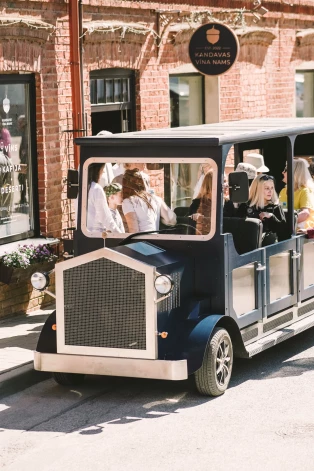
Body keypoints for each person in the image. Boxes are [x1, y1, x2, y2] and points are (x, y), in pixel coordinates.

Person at [237, 174, 286, 246]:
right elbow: (237, 228)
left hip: (269, 247)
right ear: (257, 189)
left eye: (272, 188)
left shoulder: (275, 207)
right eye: (267, 188)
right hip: (247, 246)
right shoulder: (246, 206)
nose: (270, 191)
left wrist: (272, 217)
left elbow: (284, 233)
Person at [87, 163, 124, 235]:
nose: (103, 172)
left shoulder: (85, 188)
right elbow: (106, 219)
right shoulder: (96, 189)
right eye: (102, 170)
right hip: (99, 237)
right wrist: (120, 236)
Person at [279, 158, 314, 232]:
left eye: (285, 170)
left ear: (294, 172)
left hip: (299, 235)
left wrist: (283, 223)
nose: (282, 172)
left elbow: (305, 214)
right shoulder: (283, 191)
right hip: (285, 231)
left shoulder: (305, 191)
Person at [189, 170, 213, 235]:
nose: (227, 185)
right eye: (224, 181)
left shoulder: (228, 203)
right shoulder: (197, 203)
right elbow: (191, 227)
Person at [17, 115, 28, 205]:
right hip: (24, 160)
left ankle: (23, 199)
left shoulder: (26, 132)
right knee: (21, 179)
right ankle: (23, 198)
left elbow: (26, 146)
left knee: (22, 178)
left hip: (26, 160)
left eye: (20, 123)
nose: (18, 125)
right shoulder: (24, 131)